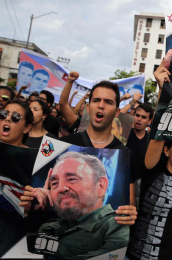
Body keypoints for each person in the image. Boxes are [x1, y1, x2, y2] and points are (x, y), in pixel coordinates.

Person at [58, 72, 137, 224]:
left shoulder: (125, 155)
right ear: (88, 107)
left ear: (117, 112)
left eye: (108, 102)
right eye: (96, 100)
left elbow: (130, 201)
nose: (101, 105)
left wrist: (130, 212)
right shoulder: (65, 145)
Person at [30, 152, 129, 259]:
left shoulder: (119, 225)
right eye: (54, 183)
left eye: (72, 179)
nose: (61, 188)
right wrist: (28, 211)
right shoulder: (49, 226)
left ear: (101, 186)